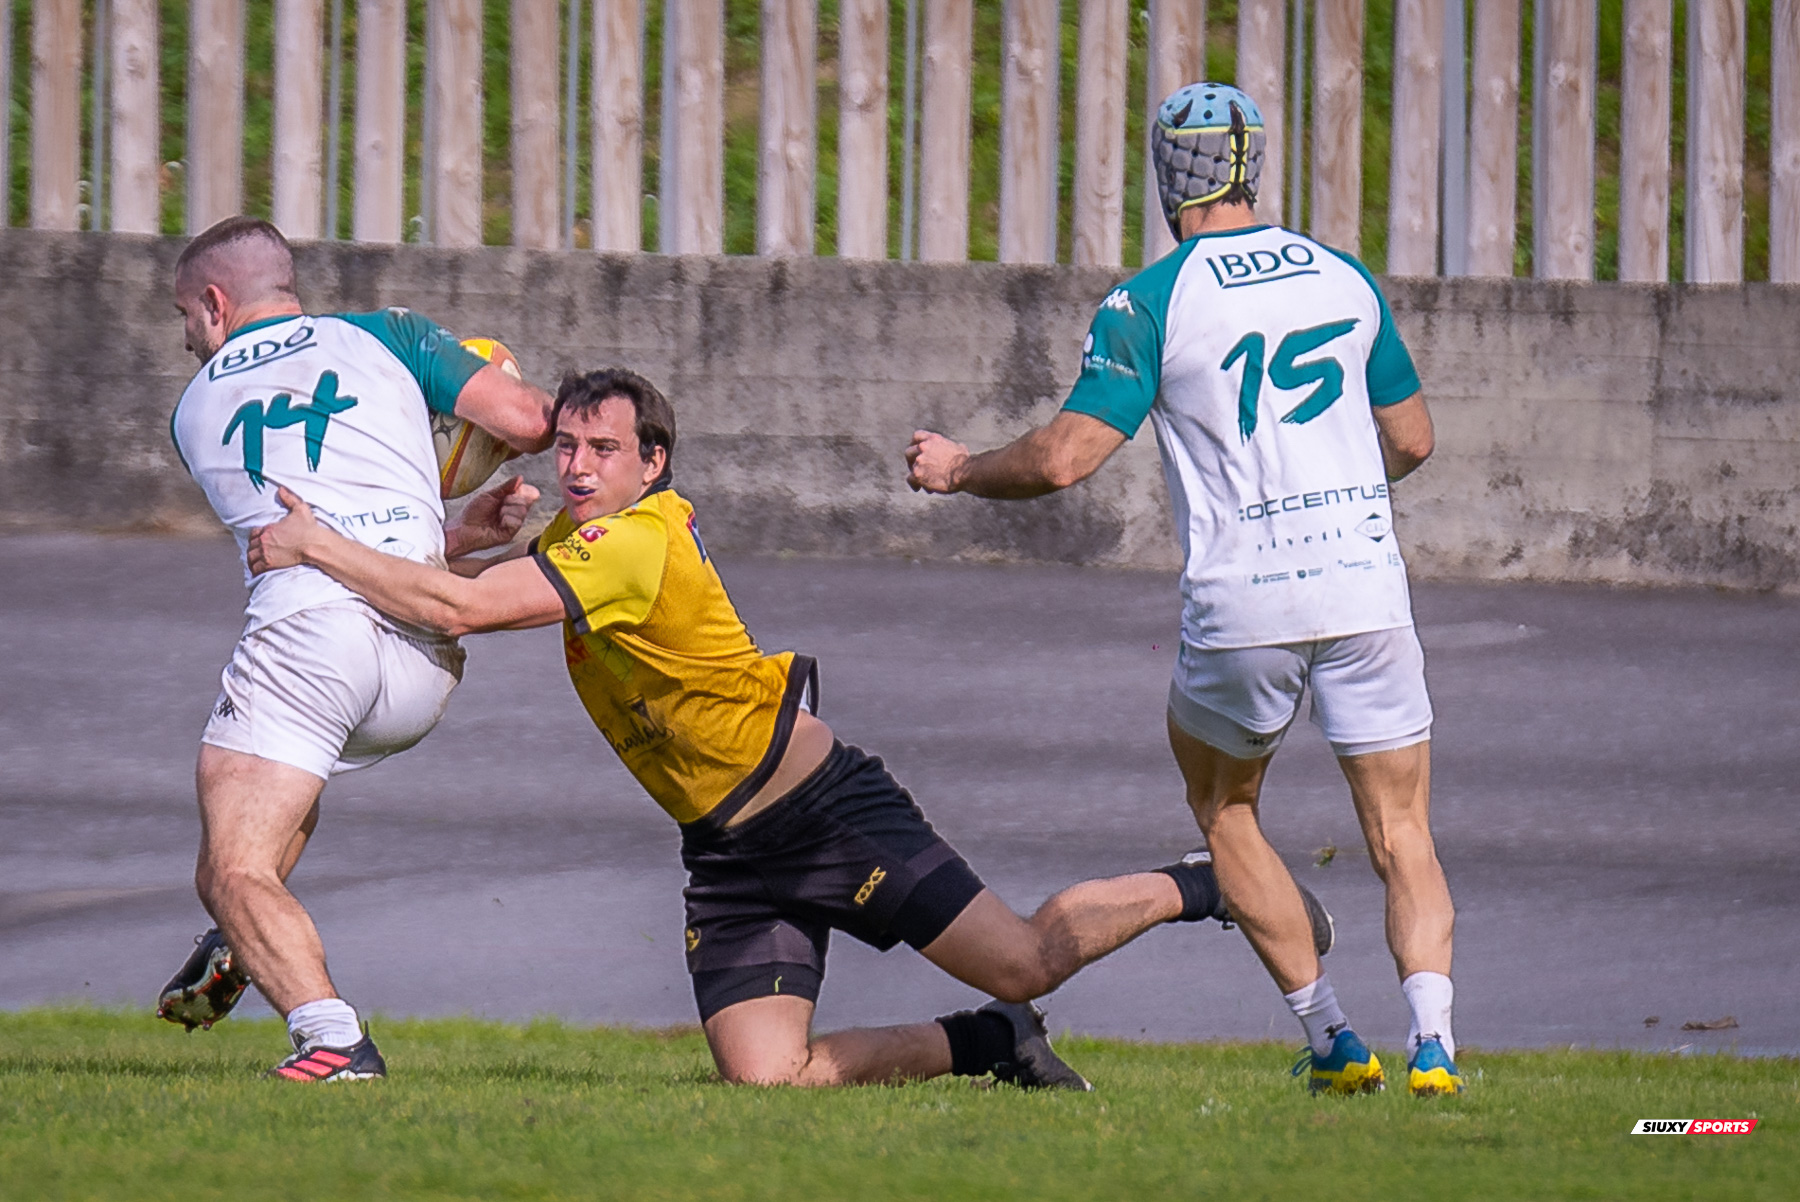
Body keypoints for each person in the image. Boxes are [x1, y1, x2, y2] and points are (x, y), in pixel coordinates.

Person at [243, 367, 1330, 1090]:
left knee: (1025, 957)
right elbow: (464, 583)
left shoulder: (632, 544)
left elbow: (461, 609)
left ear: (651, 464)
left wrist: (313, 542)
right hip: (727, 849)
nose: (575, 465)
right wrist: (457, 537)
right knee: (770, 1077)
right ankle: (982, 1046)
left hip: (823, 813)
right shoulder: (591, 542)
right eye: (566, 444)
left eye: (603, 449)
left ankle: (1206, 881)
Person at [904, 84, 1460, 1097]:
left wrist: (956, 469)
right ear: (1254, 164)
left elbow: (1065, 458)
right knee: (1402, 828)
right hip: (1367, 584)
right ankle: (1434, 1045)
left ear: (1169, 175)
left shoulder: (1151, 299)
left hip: (1246, 598)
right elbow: (1413, 438)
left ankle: (1334, 1036)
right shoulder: (1343, 278)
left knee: (1225, 806)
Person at [157, 216, 555, 1082]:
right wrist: (451, 488)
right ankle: (245, 940)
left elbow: (306, 529)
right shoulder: (391, 336)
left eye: (186, 315)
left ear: (217, 306)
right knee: (273, 811)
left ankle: (332, 1039)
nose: (186, 337)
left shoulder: (194, 413)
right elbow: (528, 420)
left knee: (231, 862)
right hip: (423, 659)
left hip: (314, 637)